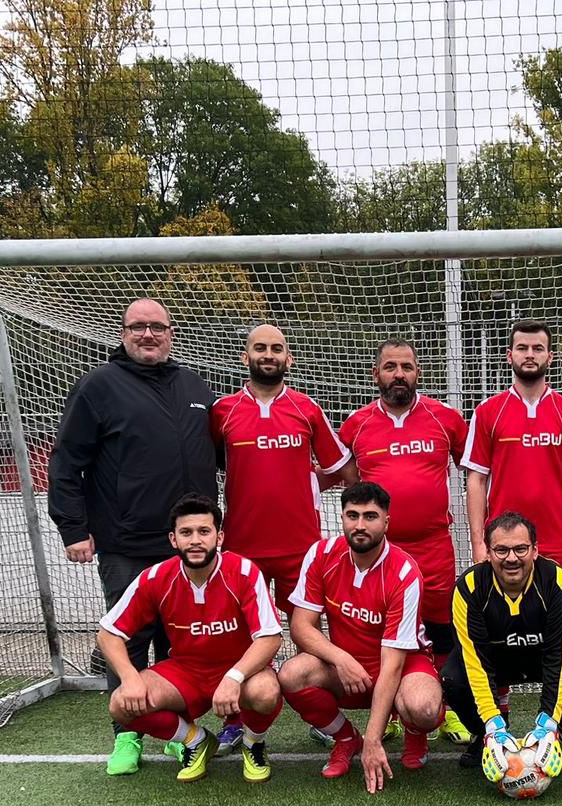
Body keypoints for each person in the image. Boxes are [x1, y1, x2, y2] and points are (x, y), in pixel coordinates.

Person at [48, 298, 222, 776]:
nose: (148, 334)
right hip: (126, 542)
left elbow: (224, 456)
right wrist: (73, 527)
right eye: (138, 326)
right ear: (123, 333)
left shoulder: (194, 386)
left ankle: (179, 731)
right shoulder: (99, 386)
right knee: (127, 641)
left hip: (190, 546)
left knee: (178, 643)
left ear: (171, 333)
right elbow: (66, 461)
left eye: (157, 327)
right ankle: (126, 732)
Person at [338, 338, 473, 746]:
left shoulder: (446, 419)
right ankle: (391, 710)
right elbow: (347, 482)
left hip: (434, 547)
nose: (399, 374)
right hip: (381, 554)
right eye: (391, 367)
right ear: (375, 374)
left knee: (442, 629)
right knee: (384, 631)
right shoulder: (356, 425)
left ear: (418, 373)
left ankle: (447, 708)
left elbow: (476, 471)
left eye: (407, 367)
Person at [96, 495, 283, 785]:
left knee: (265, 692)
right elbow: (108, 633)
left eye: (204, 531)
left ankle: (253, 743)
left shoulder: (244, 572)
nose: (195, 540)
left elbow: (270, 637)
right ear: (174, 539)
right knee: (121, 704)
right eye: (186, 532)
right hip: (186, 672)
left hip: (239, 670)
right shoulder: (156, 577)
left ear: (219, 537)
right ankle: (196, 740)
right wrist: (130, 677)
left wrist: (234, 677)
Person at [279, 482, 444, 791]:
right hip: (348, 667)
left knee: (424, 707)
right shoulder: (321, 554)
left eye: (370, 516)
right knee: (291, 674)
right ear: (342, 517)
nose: (359, 525)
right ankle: (346, 738)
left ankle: (414, 730)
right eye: (352, 515)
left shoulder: (404, 573)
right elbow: (300, 626)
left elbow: (393, 665)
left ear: (386, 522)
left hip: (401, 665)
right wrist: (341, 659)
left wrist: (374, 740)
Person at [442, 511, 562, 781]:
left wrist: (549, 723)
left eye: (520, 549)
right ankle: (483, 734)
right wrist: (491, 722)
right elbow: (475, 661)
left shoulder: (558, 582)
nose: (511, 558)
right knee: (452, 678)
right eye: (501, 550)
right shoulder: (468, 588)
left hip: (544, 653)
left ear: (535, 550)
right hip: (494, 657)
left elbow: (561, 655)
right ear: (487, 553)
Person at [210, 322, 352, 611]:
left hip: (300, 546)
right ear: (245, 357)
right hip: (242, 546)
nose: (268, 355)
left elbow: (342, 468)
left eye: (276, 349)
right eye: (260, 348)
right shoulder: (222, 410)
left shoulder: (307, 408)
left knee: (305, 629)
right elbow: (208, 464)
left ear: (288, 359)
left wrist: (309, 483)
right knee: (245, 630)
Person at [462, 320, 562, 577]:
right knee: (502, 605)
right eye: (522, 348)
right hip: (503, 544)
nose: (530, 355)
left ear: (550, 357)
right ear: (509, 355)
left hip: (558, 542)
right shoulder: (488, 412)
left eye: (538, 348)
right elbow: (476, 480)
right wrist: (478, 544)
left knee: (558, 605)